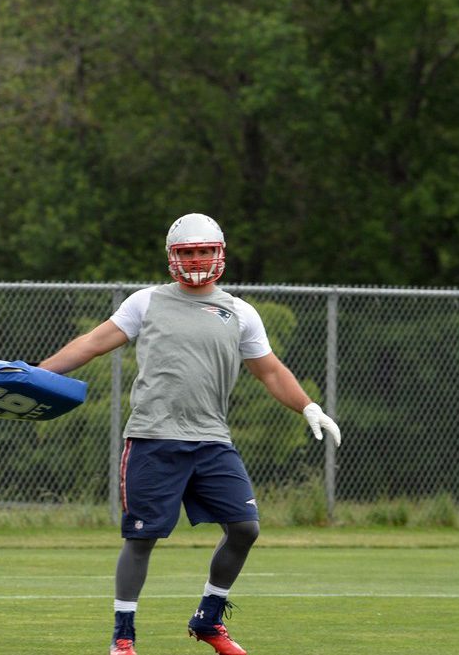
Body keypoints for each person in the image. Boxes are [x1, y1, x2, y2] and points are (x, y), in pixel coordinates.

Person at [37, 213, 341, 655]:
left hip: (213, 440)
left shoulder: (240, 312)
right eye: (187, 252)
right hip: (153, 438)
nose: (196, 259)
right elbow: (92, 343)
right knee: (141, 539)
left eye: (204, 251)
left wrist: (308, 405)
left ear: (219, 254)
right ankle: (123, 637)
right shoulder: (145, 302)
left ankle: (208, 620)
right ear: (172, 257)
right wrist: (37, 373)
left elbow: (269, 371)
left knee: (244, 528)